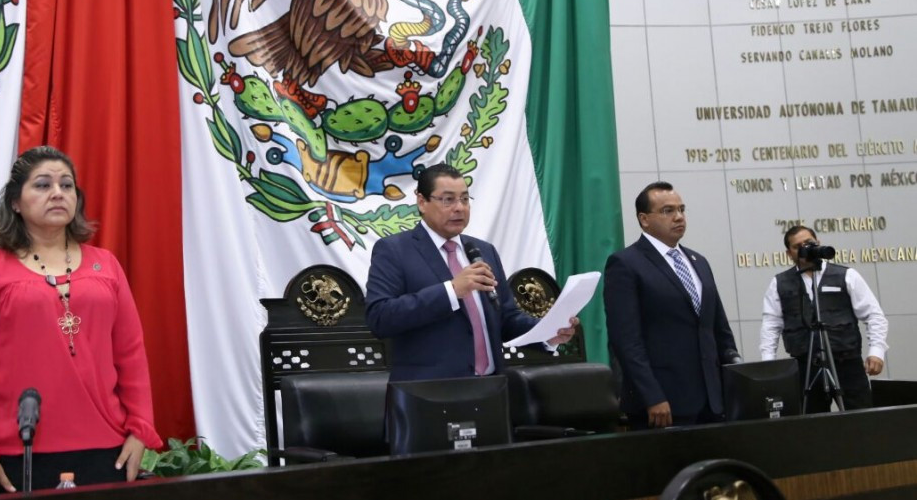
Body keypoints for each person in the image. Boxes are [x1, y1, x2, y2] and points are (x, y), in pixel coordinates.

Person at [0, 146, 163, 495]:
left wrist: (140, 429)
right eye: (42, 185)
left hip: (108, 451)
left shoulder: (107, 265)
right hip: (14, 455)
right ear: (15, 202)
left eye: (67, 185)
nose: (58, 193)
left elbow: (131, 355)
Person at [364, 163, 576, 382]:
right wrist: (452, 290)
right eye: (448, 199)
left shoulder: (483, 251)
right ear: (422, 202)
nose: (459, 208)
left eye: (465, 199)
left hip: (491, 389)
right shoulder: (394, 250)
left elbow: (505, 318)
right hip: (429, 394)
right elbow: (380, 317)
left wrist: (547, 332)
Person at [604, 181, 740, 429]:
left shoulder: (699, 262)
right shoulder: (626, 264)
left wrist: (732, 383)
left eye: (682, 209)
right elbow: (626, 341)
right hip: (662, 405)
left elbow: (719, 329)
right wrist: (652, 396)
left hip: (712, 403)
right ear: (644, 219)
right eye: (668, 211)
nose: (679, 217)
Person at [760, 225, 888, 412]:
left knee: (861, 421)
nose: (805, 249)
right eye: (798, 246)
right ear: (789, 253)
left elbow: (873, 314)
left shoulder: (846, 275)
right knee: (811, 427)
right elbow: (771, 324)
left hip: (847, 362)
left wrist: (877, 351)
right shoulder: (779, 283)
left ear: (818, 243)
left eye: (809, 243)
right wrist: (769, 363)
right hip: (805, 366)